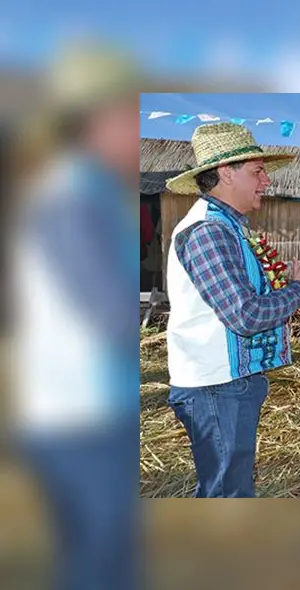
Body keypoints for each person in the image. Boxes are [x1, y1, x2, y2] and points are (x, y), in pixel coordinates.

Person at [10, 41, 145, 589]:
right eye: (131, 116)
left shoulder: (89, 193)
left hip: (94, 407)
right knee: (101, 560)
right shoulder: (70, 198)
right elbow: (108, 310)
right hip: (83, 415)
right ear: (98, 118)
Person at [164, 122, 300, 498]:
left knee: (231, 483)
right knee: (226, 492)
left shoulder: (227, 227)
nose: (266, 181)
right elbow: (246, 316)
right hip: (215, 385)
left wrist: (293, 285)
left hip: (225, 383)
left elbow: (239, 299)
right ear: (226, 173)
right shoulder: (208, 231)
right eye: (257, 171)